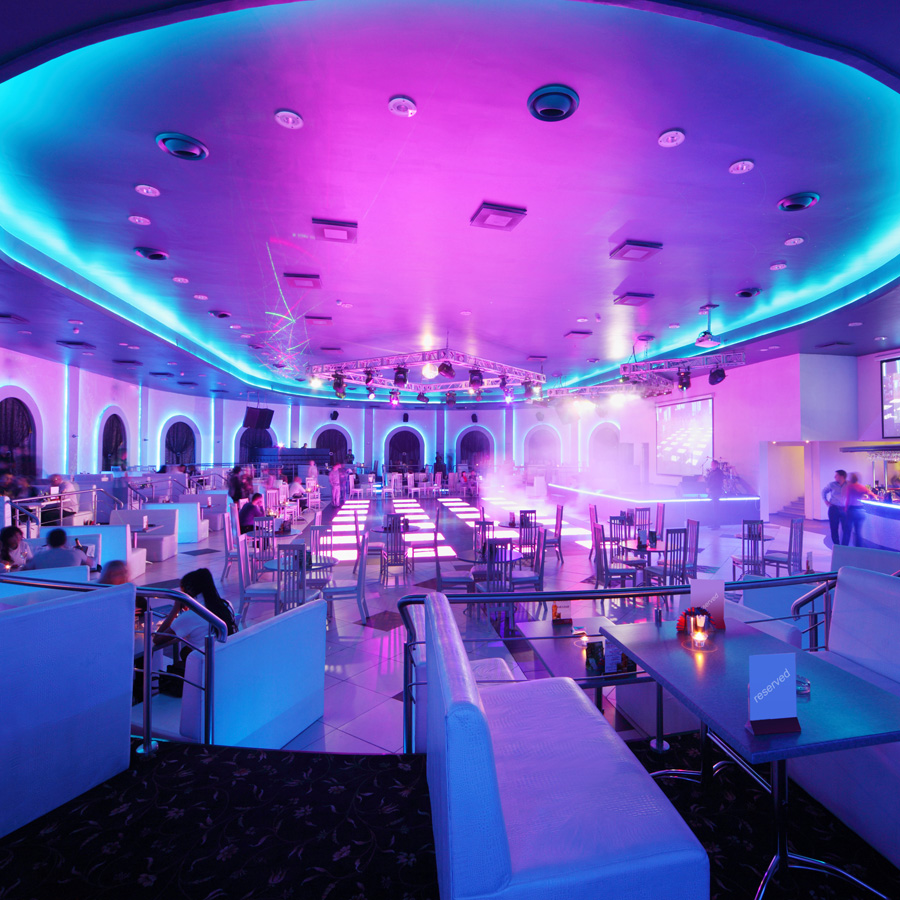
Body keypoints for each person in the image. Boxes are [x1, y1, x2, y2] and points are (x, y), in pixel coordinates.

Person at [25, 528, 92, 569]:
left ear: (48, 542)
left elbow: (25, 569)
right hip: (72, 587)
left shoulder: (38, 557)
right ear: (65, 541)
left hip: (45, 587)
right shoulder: (77, 553)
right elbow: (91, 564)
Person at [843, 473, 876, 546]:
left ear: (851, 479)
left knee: (847, 531)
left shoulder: (850, 487)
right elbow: (872, 494)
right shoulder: (862, 487)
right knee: (858, 532)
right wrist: (873, 497)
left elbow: (848, 499)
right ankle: (858, 549)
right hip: (861, 511)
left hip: (852, 510)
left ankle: (843, 548)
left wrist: (845, 509)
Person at [822, 469, 848, 546]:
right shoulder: (832, 484)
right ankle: (837, 545)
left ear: (842, 476)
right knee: (834, 528)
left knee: (846, 528)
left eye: (836, 475)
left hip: (844, 509)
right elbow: (824, 492)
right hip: (834, 508)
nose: (834, 477)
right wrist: (825, 500)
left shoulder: (848, 485)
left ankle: (845, 546)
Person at [706, 459, 725, 529]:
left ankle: (716, 524)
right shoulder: (712, 472)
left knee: (716, 508)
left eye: (713, 465)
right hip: (713, 491)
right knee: (713, 508)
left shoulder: (718, 472)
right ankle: (714, 523)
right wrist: (708, 487)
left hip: (716, 491)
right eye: (711, 465)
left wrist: (710, 488)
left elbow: (716, 482)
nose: (712, 466)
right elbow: (710, 480)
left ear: (716, 465)